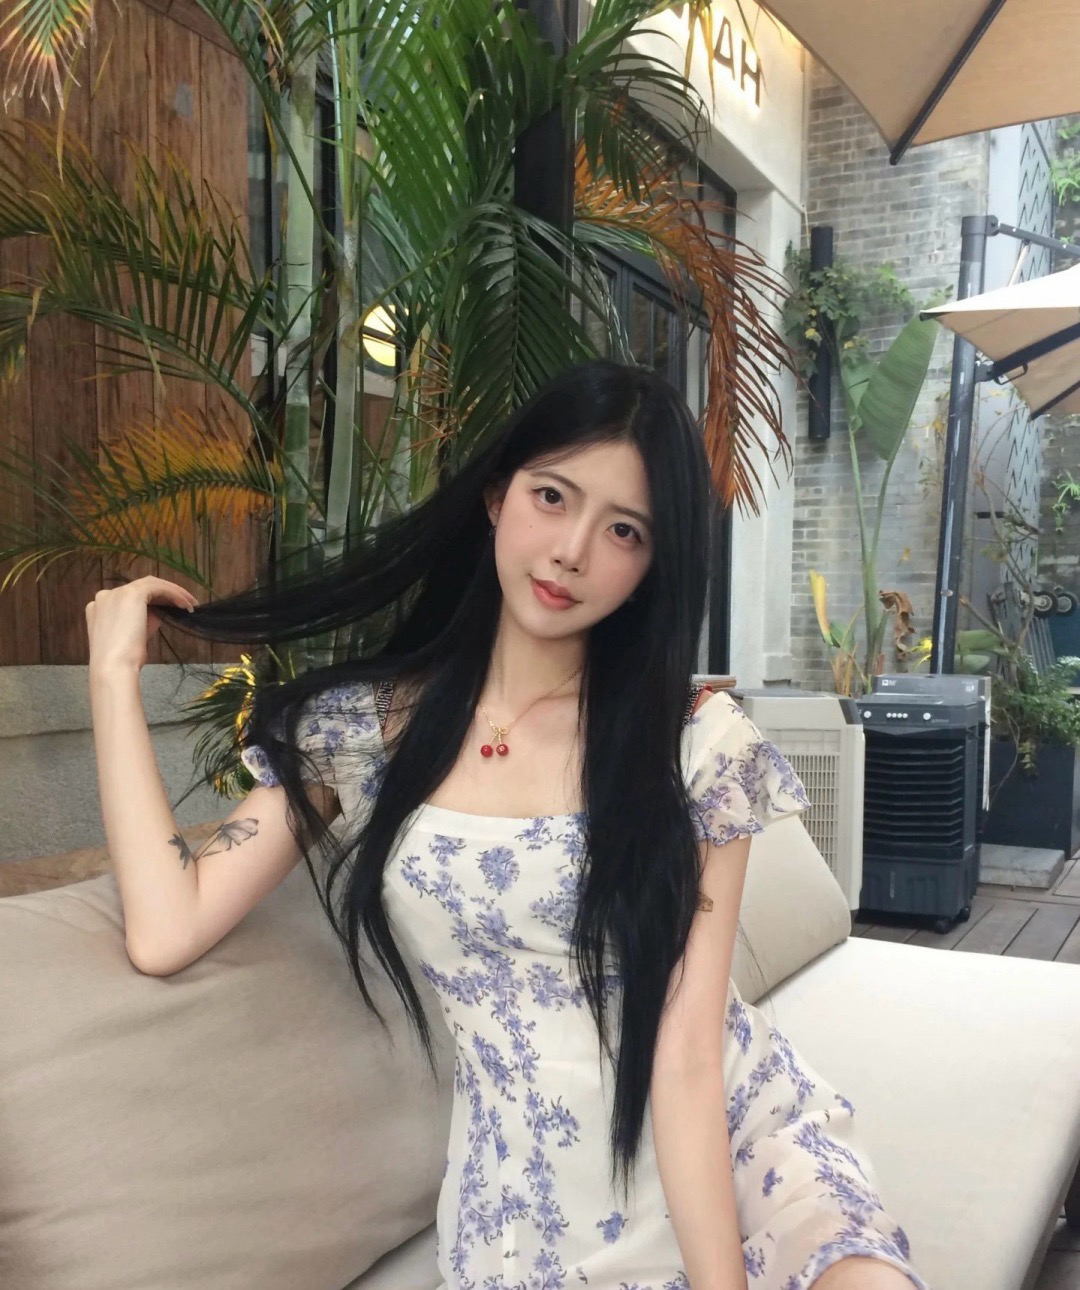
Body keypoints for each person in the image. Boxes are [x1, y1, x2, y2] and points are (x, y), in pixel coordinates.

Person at [85, 360, 928, 1290]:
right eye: (552, 496)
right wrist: (112, 675)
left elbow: (688, 1054)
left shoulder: (695, 747)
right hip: (526, 1203)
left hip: (741, 1141)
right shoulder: (364, 732)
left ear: (652, 565)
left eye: (624, 530)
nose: (571, 550)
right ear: (496, 495)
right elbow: (167, 927)